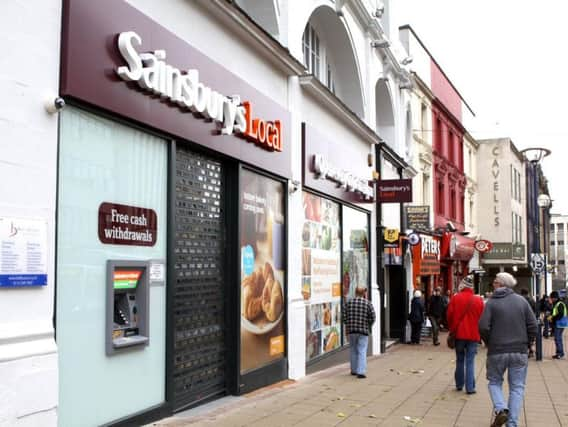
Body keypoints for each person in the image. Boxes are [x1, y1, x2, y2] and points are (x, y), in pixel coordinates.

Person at [479, 272, 537, 427]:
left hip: (497, 351)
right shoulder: (522, 302)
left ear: (502, 285)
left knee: (494, 382)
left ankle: (501, 408)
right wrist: (527, 343)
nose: (493, 285)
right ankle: (512, 423)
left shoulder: (491, 303)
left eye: (496, 282)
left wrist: (489, 342)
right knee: (517, 387)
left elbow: (483, 326)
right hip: (519, 351)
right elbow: (533, 326)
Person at [446, 275, 484, 395]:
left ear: (462, 286)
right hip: (473, 335)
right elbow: (482, 318)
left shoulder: (455, 298)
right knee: (470, 361)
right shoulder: (478, 300)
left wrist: (452, 329)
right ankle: (470, 387)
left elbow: (449, 315)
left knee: (460, 359)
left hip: (459, 334)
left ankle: (459, 384)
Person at [343, 286, 376, 378]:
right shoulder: (367, 303)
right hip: (363, 331)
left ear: (355, 292)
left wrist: (349, 324)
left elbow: (344, 317)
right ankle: (361, 371)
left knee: (353, 349)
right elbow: (373, 317)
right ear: (364, 293)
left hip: (352, 330)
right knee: (362, 350)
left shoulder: (349, 303)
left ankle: (353, 370)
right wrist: (368, 324)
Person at [548, 291, 567, 359]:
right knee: (558, 338)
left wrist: (553, 318)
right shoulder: (557, 303)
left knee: (557, 338)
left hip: (559, 323)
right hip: (559, 323)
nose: (551, 299)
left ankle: (560, 353)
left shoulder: (559, 304)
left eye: (551, 298)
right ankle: (559, 353)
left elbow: (560, 314)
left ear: (554, 298)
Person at [520, 288, 536, 357]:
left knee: (523, 336)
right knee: (530, 336)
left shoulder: (520, 300)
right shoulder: (532, 300)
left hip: (523, 320)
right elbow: (535, 309)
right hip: (530, 320)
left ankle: (526, 350)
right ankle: (531, 350)